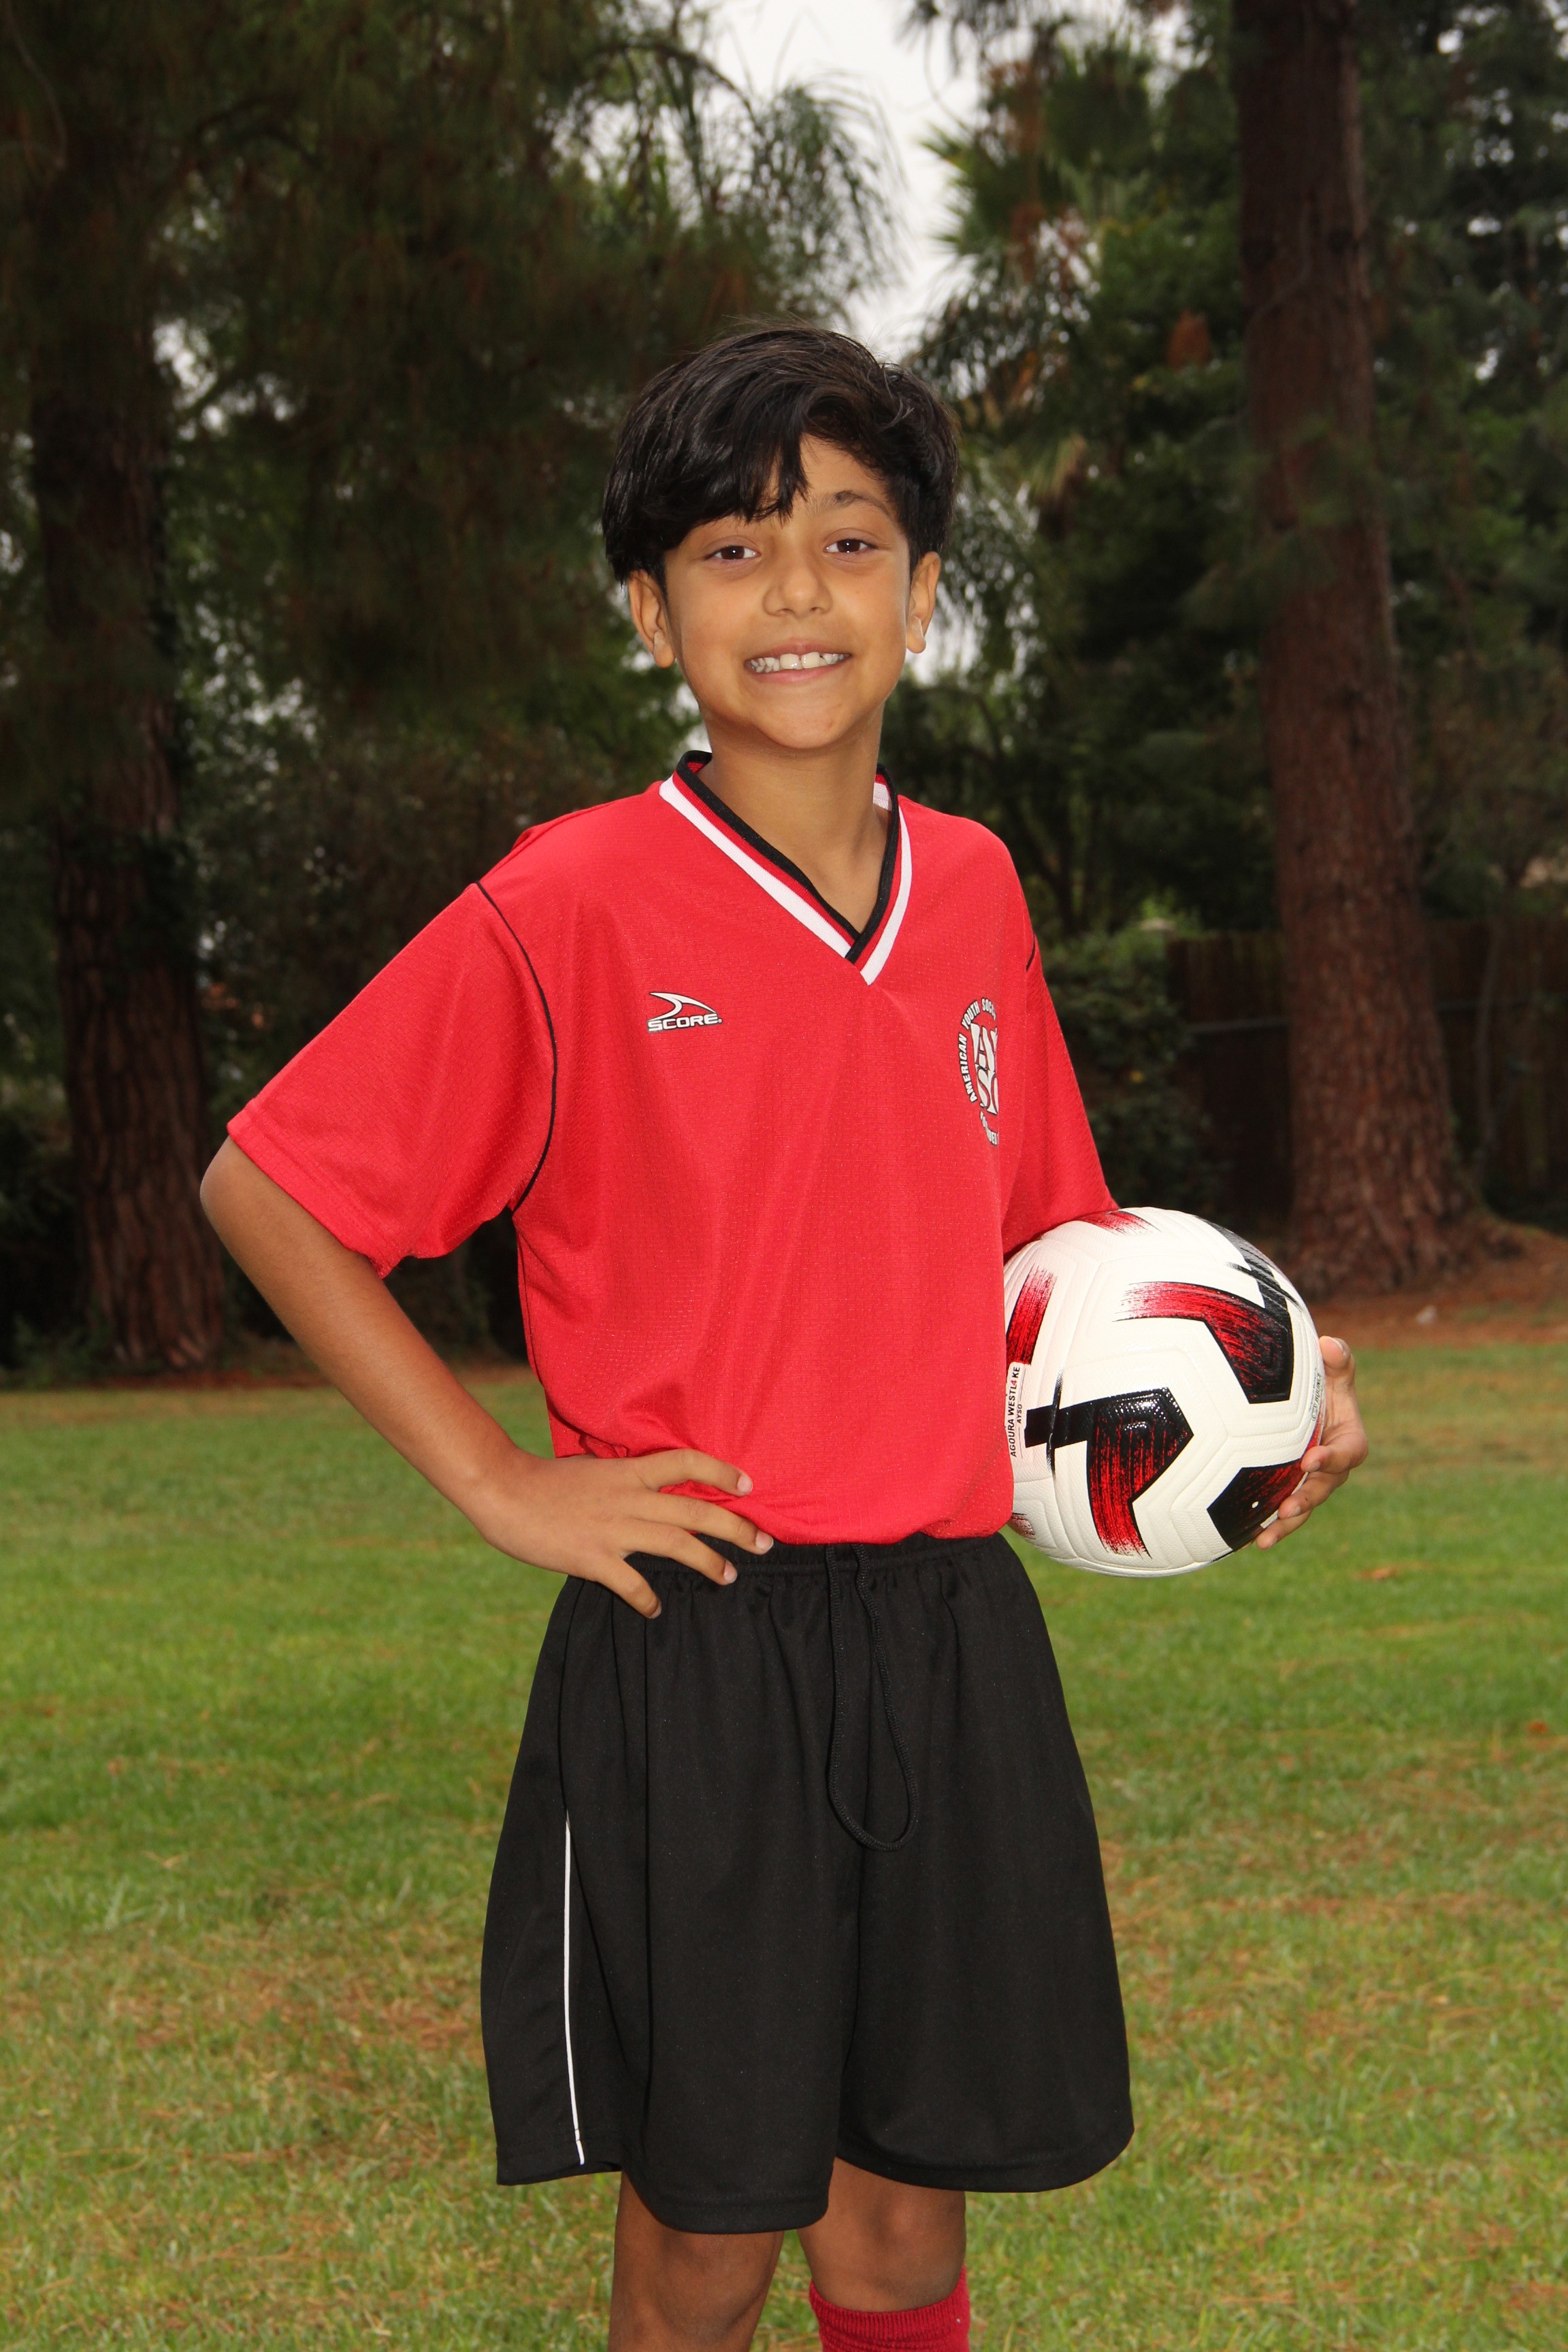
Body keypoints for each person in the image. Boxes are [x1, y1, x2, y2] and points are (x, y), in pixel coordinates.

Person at [201, 325, 1368, 2352]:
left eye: (849, 538)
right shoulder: (572, 903)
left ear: (925, 591)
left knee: (903, 2225)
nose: (798, 591)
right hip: (705, 1639)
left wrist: (1276, 1391)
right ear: (651, 611)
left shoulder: (976, 888)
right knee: (708, 2237)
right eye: (734, 551)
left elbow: (1057, 1252)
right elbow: (269, 1186)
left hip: (949, 1630)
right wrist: (500, 1482)